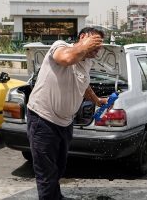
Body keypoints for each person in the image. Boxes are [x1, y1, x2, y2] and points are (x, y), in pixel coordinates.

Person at [27, 27, 105, 200]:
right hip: (43, 119)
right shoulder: (60, 46)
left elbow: (83, 83)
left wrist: (96, 100)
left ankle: (56, 197)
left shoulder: (87, 62)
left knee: (58, 168)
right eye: (95, 42)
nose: (98, 48)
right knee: (46, 173)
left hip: (65, 123)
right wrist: (85, 45)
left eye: (100, 45)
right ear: (83, 37)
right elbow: (67, 58)